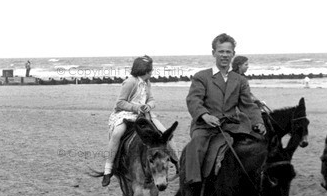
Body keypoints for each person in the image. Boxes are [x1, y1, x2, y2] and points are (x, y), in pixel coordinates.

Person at [184, 33, 266, 187]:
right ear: (214, 53)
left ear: (233, 54)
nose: (224, 55)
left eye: (228, 52)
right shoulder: (202, 77)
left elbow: (247, 105)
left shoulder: (240, 80)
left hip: (232, 126)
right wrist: (205, 115)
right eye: (221, 51)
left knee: (256, 146)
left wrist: (258, 121)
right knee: (196, 145)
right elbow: (193, 100)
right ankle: (193, 183)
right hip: (206, 126)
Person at [102, 55, 179, 187]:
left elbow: (152, 100)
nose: (152, 71)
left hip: (144, 114)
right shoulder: (130, 82)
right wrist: (136, 107)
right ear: (144, 70)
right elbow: (120, 102)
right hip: (126, 114)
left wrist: (148, 106)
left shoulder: (147, 83)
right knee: (116, 134)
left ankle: (177, 163)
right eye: (150, 69)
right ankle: (108, 169)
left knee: (167, 134)